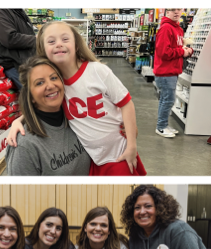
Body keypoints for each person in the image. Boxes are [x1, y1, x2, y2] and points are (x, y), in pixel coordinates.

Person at [10, 21, 146, 176]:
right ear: (43, 50)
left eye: (65, 39)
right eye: (51, 41)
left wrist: (131, 145)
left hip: (119, 155)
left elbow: (126, 103)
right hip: (93, 160)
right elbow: (41, 106)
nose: (59, 44)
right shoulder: (57, 84)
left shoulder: (97, 71)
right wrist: (18, 121)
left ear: (76, 45)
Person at [4, 58, 91, 176]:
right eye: (39, 83)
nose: (50, 86)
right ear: (31, 96)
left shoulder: (77, 118)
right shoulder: (24, 146)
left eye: (54, 78)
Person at [152, 8, 193, 138]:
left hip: (172, 70)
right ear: (167, 12)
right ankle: (161, 127)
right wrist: (182, 52)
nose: (176, 12)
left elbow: (173, 47)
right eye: (173, 9)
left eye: (179, 9)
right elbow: (164, 52)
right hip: (165, 71)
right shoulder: (166, 28)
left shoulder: (178, 29)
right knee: (168, 100)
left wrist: (183, 49)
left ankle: (163, 124)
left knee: (165, 99)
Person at [0, 8, 37, 93]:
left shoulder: (17, 10)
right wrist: (36, 39)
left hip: (25, 63)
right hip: (14, 64)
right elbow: (9, 39)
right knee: (32, 94)